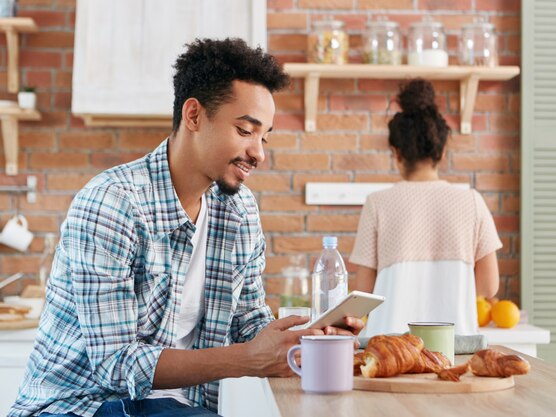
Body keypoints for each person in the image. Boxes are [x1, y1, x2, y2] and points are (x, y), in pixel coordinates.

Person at [10, 38, 363, 417]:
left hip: (171, 408)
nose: (259, 152)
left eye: (264, 136)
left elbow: (248, 323)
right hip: (76, 407)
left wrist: (311, 338)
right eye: (245, 131)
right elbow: (116, 364)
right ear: (193, 115)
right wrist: (250, 358)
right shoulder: (111, 203)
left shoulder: (239, 209)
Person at [350, 79, 501, 338]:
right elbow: (489, 286)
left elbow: (364, 291)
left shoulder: (378, 203)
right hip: (454, 349)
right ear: (442, 152)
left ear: (396, 153)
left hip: (389, 348)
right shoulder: (472, 202)